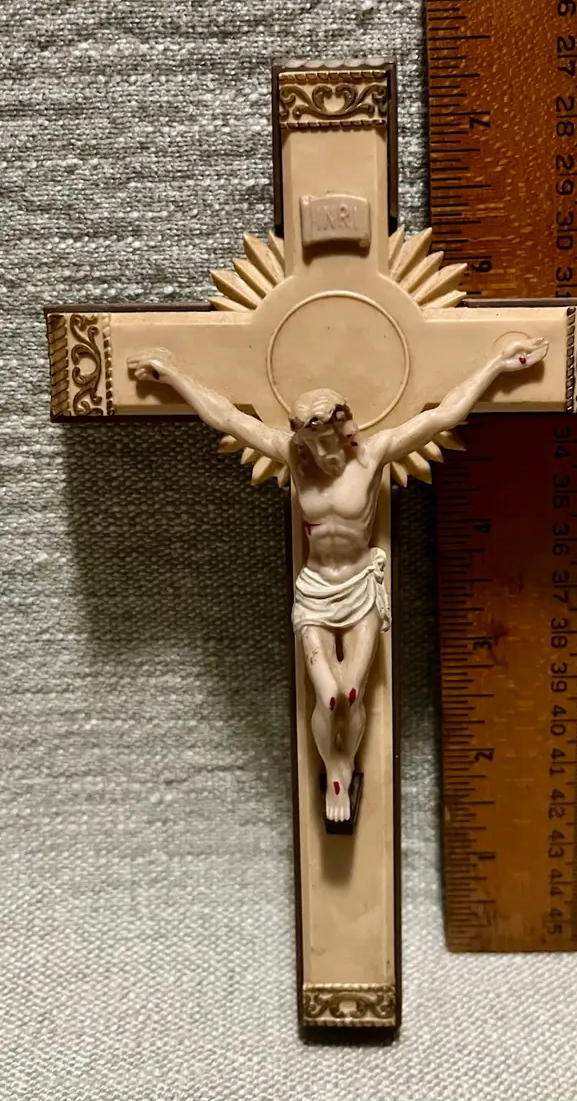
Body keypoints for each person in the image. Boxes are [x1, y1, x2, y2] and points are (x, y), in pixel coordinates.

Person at [128, 333, 548, 821]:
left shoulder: (372, 456)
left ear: (343, 427)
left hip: (360, 587)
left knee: (352, 691)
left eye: (325, 440)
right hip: (315, 589)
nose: (320, 452)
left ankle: (345, 767)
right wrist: (173, 374)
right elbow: (226, 418)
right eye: (310, 442)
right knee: (327, 695)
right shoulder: (293, 457)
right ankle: (335, 769)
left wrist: (496, 363)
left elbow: (443, 417)